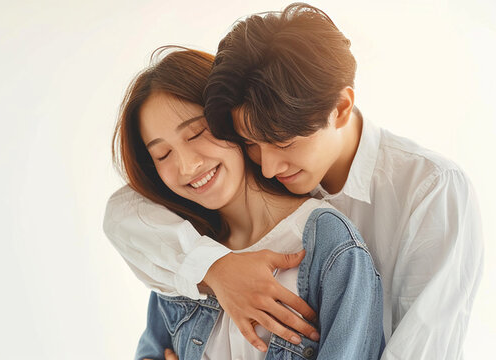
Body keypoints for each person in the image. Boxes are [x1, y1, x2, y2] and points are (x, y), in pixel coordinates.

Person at [104, 3, 483, 359]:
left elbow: (424, 347)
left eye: (283, 143)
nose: (267, 168)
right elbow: (123, 212)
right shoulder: (196, 231)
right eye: (250, 143)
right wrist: (214, 268)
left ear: (341, 108)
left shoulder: (429, 188)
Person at [112, 46, 384, 359]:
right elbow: (152, 350)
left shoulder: (327, 242)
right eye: (163, 154)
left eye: (196, 133)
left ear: (231, 119)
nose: (186, 166)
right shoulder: (184, 248)